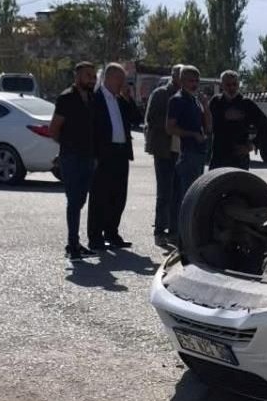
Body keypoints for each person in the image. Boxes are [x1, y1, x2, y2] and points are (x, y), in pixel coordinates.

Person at [49, 61, 99, 262]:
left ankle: (75, 243)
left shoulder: (92, 98)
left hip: (89, 157)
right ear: (77, 76)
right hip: (71, 157)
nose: (92, 79)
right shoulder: (66, 98)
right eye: (88, 75)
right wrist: (68, 147)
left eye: (94, 76)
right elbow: (54, 130)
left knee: (80, 200)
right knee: (73, 200)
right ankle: (72, 244)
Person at [87, 63, 140, 250]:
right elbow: (90, 129)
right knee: (99, 196)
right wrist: (93, 155)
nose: (123, 84)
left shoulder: (120, 100)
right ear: (110, 78)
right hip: (103, 154)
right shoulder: (95, 99)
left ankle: (112, 232)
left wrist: (128, 98)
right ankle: (95, 237)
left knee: (118, 196)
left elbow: (136, 118)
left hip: (121, 153)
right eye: (121, 80)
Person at [166, 65, 209, 243]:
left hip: (199, 154)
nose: (194, 84)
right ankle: (180, 237)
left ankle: (185, 236)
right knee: (186, 197)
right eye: (191, 81)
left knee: (194, 196)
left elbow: (209, 127)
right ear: (182, 81)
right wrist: (192, 134)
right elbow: (170, 128)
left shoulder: (196, 101)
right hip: (187, 154)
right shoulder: (177, 100)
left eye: (197, 81)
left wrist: (206, 106)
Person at [145, 64, 182, 247]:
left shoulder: (189, 95)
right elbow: (151, 118)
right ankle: (160, 231)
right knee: (164, 193)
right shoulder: (160, 94)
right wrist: (173, 124)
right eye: (180, 75)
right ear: (173, 76)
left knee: (178, 193)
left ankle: (174, 232)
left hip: (181, 150)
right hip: (164, 149)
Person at [208, 70, 267, 170]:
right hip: (218, 157)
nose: (231, 88)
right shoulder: (216, 102)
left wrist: (252, 145)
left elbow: (266, 126)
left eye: (234, 84)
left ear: (238, 85)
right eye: (228, 85)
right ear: (222, 85)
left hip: (239, 158)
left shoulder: (246, 103)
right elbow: (207, 125)